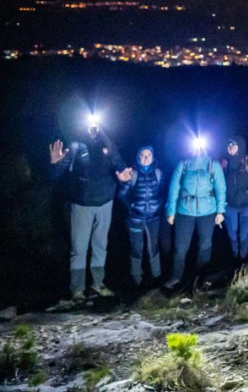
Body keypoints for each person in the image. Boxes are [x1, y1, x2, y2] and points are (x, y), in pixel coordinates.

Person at [49, 122, 125, 301]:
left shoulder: (108, 144)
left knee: (100, 247)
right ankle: (77, 290)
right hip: (82, 205)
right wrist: (54, 163)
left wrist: (123, 176)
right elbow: (55, 175)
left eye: (96, 123)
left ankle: (97, 285)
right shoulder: (75, 146)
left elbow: (120, 165)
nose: (93, 127)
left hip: (105, 203)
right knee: (79, 249)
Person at [164, 139, 226, 289]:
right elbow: (174, 189)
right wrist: (171, 212)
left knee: (205, 245)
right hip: (184, 211)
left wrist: (220, 211)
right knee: (180, 247)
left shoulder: (213, 164)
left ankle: (201, 278)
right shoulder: (183, 164)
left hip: (207, 211)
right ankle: (176, 277)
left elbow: (220, 188)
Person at [118, 145, 164, 288]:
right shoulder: (133, 174)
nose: (145, 158)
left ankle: (156, 276)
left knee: (154, 247)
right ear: (138, 157)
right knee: (137, 248)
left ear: (152, 157)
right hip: (135, 219)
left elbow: (162, 193)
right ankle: (136, 277)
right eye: (142, 155)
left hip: (154, 218)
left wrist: (159, 207)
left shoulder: (158, 173)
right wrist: (131, 208)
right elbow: (121, 195)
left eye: (148, 155)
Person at [221, 136, 248, 267]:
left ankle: (243, 261)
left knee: (245, 236)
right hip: (229, 206)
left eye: (233, 145)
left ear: (240, 147)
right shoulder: (224, 164)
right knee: (232, 235)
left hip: (246, 207)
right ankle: (234, 261)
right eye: (228, 146)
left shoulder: (247, 162)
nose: (230, 148)